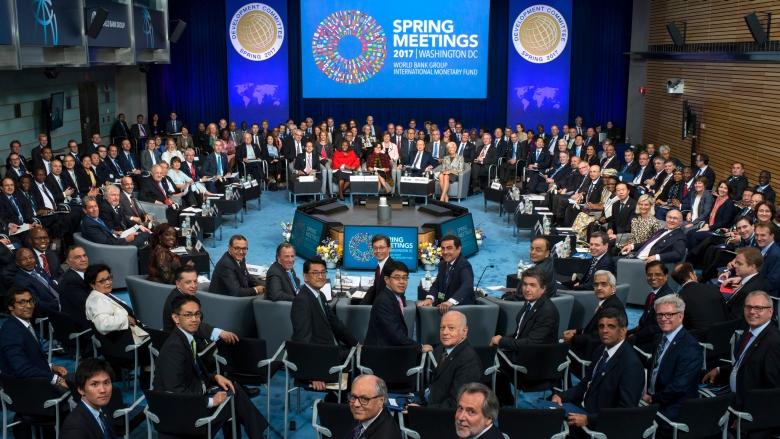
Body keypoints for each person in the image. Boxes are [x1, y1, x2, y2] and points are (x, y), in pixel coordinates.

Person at [155, 294, 269, 438]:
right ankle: (257, 435)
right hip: (183, 413)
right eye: (188, 315)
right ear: (176, 318)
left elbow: (191, 372)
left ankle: (257, 435)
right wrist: (210, 401)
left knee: (235, 389)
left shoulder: (185, 338)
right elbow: (175, 392)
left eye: (197, 314)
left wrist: (215, 376)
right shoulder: (174, 348)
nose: (194, 319)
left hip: (193, 393)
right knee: (233, 402)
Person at [551, 308, 644, 436]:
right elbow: (585, 385)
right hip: (581, 410)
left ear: (623, 331)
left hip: (597, 427)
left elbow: (625, 412)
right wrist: (562, 396)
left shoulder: (631, 365)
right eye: (601, 326)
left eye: (611, 326)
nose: (604, 330)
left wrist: (589, 420)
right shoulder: (600, 350)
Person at [702, 291, 780, 438]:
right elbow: (748, 364)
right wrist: (721, 370)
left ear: (770, 312)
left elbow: (773, 391)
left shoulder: (774, 343)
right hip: (736, 402)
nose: (752, 312)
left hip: (754, 418)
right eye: (748, 307)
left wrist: (749, 420)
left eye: (758, 308)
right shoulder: (751, 331)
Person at [491, 267, 559, 406]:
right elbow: (519, 334)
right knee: (491, 354)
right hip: (527, 354)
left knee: (492, 361)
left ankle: (501, 402)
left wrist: (502, 341)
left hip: (535, 365)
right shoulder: (531, 303)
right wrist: (501, 340)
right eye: (525, 284)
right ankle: (503, 398)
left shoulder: (546, 312)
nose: (527, 289)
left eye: (532, 285)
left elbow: (530, 344)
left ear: (543, 289)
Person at [291, 257, 359, 391]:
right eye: (315, 273)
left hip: (330, 348)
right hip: (320, 358)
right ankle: (342, 400)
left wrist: (355, 344)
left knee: (362, 352)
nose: (321, 277)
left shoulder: (319, 295)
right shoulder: (302, 301)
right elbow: (302, 340)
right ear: (305, 276)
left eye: (323, 272)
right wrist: (315, 374)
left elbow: (335, 323)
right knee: (361, 359)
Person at [640, 295, 702, 433]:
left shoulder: (690, 348)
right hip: (652, 396)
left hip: (672, 408)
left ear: (680, 316)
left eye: (669, 314)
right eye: (660, 314)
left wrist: (652, 399)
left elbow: (678, 388)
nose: (663, 319)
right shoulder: (661, 339)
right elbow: (651, 366)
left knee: (631, 424)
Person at [407, 311, 481, 408]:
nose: (445, 332)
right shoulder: (447, 351)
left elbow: (455, 404)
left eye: (451, 328)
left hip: (439, 414)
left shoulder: (468, 360)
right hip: (428, 402)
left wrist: (422, 411)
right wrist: (414, 396)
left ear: (464, 331)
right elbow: (437, 387)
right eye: (442, 328)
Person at [365, 261, 433, 351]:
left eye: (405, 278)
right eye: (397, 278)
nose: (402, 282)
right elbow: (396, 335)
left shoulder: (394, 297)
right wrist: (420, 347)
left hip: (392, 350)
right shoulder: (384, 302)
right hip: (382, 355)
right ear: (387, 279)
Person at [562, 271, 625, 355]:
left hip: (595, 352)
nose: (599, 288)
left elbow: (599, 335)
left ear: (613, 288)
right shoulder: (607, 302)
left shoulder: (612, 306)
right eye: (596, 284)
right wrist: (577, 331)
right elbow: (594, 329)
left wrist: (573, 338)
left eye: (604, 284)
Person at [85, 263, 149, 343]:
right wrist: (126, 319)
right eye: (103, 281)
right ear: (92, 284)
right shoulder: (97, 301)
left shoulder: (106, 295)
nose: (108, 283)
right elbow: (103, 324)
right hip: (130, 343)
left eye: (109, 278)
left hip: (136, 334)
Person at [59, 358, 116, 439]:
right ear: (81, 390)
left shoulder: (102, 410)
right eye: (94, 384)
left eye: (106, 383)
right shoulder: (75, 430)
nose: (103, 390)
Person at [418, 235, 475, 314]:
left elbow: (467, 284)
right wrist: (429, 299)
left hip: (460, 310)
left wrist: (451, 302)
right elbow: (436, 284)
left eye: (449, 248)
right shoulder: (442, 264)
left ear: (458, 249)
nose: (445, 252)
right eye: (443, 248)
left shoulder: (464, 265)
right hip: (442, 306)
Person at [671, 263, 728, 341]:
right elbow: (726, 313)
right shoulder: (713, 288)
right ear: (691, 275)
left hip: (699, 343)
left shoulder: (678, 298)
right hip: (724, 338)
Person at [627, 261, 674, 352]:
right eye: (649, 275)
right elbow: (645, 323)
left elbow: (656, 328)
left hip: (654, 344)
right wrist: (629, 332)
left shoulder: (666, 298)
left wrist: (634, 337)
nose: (653, 278)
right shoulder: (652, 295)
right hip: (646, 336)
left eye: (657, 275)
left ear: (666, 276)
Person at [345, 375, 402, 439]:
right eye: (353, 397)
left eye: (364, 399)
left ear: (381, 401)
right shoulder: (368, 415)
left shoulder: (386, 435)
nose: (356, 404)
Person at [620, 209, 687, 263]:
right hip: (635, 257)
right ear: (666, 218)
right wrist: (632, 246)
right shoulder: (661, 231)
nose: (671, 220)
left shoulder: (680, 236)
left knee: (614, 262)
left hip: (645, 263)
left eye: (675, 218)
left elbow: (678, 254)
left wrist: (656, 257)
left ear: (681, 221)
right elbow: (648, 243)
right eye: (669, 217)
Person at [81, 196, 149, 248]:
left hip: (117, 239)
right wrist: (126, 239)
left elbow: (104, 231)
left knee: (142, 232)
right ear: (85, 210)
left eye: (95, 206)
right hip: (116, 248)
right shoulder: (89, 225)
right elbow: (107, 242)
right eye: (91, 207)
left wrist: (114, 232)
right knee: (146, 235)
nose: (94, 209)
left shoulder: (95, 219)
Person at [724, 247, 769, 322]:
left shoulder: (747, 292)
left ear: (752, 266)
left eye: (739, 263)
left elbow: (733, 320)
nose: (735, 266)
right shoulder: (755, 280)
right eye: (736, 262)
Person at [13, 247, 61, 314]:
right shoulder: (21, 281)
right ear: (17, 263)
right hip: (51, 313)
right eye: (24, 259)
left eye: (31, 257)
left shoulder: (38, 269)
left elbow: (51, 286)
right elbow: (38, 304)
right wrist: (60, 306)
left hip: (60, 301)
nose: (29, 261)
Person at [59, 246, 91, 328]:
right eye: (78, 257)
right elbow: (88, 306)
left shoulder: (87, 273)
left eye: (84, 255)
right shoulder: (71, 281)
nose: (83, 259)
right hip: (83, 327)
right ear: (68, 262)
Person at [359, 234, 394, 305]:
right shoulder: (379, 266)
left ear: (389, 249)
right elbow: (376, 288)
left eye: (381, 248)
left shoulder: (392, 268)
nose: (378, 251)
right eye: (375, 248)